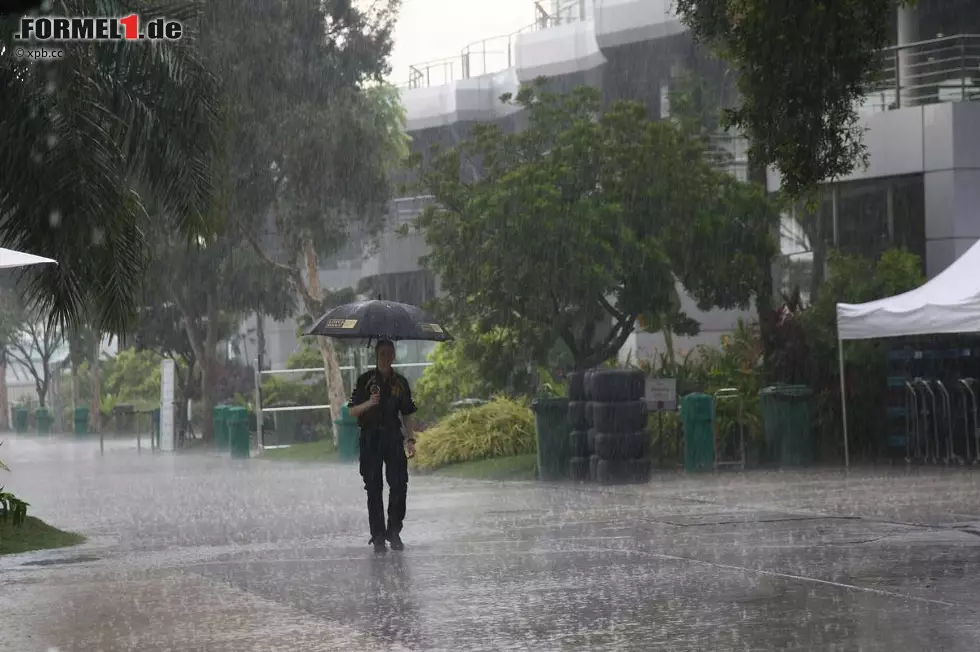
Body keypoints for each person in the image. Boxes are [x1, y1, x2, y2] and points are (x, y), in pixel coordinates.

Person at [348, 339, 417, 553]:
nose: (386, 358)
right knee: (373, 488)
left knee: (399, 485)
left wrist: (410, 439)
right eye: (382, 354)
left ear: (393, 356)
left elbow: (406, 413)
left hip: (392, 438)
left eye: (389, 354)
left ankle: (394, 531)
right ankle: (377, 535)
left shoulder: (401, 383)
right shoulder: (365, 381)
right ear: (376, 357)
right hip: (370, 439)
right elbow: (352, 411)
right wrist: (369, 402)